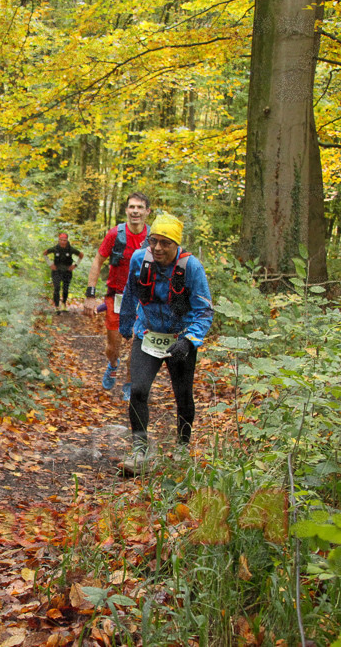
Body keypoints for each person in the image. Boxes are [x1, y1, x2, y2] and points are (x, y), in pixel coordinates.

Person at [117, 212, 213, 475]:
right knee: (137, 390)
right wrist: (125, 326)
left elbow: (204, 311)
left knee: (183, 396)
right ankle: (140, 449)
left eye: (165, 243)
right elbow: (130, 294)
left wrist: (190, 340)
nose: (157, 248)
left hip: (180, 339)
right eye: (154, 241)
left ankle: (182, 446)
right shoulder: (140, 259)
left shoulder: (191, 268)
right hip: (147, 334)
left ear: (176, 244)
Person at [83, 193, 151, 401]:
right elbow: (98, 261)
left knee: (137, 345)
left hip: (143, 298)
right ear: (126, 210)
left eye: (140, 207)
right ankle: (113, 365)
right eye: (132, 207)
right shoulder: (115, 234)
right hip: (117, 296)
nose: (135, 211)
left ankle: (130, 384)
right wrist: (90, 294)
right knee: (114, 346)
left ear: (147, 212)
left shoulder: (153, 237)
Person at [42, 233, 83, 313]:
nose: (62, 242)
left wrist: (75, 265)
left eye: (64, 240)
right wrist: (50, 264)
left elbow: (81, 255)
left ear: (67, 240)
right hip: (56, 271)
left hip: (67, 272)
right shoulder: (55, 248)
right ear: (58, 240)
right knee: (56, 288)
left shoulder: (70, 249)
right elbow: (44, 253)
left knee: (65, 289)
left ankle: (64, 304)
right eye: (61, 240)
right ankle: (57, 306)